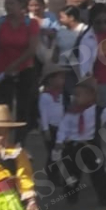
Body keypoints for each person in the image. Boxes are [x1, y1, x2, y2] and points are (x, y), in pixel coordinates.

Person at [55, 78, 106, 207]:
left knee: (98, 173)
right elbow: (63, 128)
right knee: (71, 172)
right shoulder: (71, 112)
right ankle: (71, 196)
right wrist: (59, 142)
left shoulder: (100, 111)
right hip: (73, 145)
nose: (76, 98)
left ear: (91, 95)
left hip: (91, 145)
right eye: (75, 95)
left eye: (79, 95)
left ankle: (104, 198)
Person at [0, 0, 41, 130]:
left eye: (11, 3)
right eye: (6, 3)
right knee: (4, 105)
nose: (8, 6)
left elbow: (32, 49)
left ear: (21, 5)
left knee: (23, 105)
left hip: (24, 68)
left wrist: (15, 65)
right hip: (2, 69)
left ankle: (20, 137)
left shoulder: (31, 24)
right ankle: (3, 134)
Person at [38, 65, 68, 193]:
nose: (62, 80)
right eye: (59, 78)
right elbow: (44, 114)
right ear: (50, 80)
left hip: (60, 127)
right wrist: (45, 130)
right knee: (53, 153)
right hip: (51, 128)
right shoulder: (45, 96)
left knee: (60, 152)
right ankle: (52, 176)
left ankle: (59, 175)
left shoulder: (61, 95)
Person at [53, 5, 88, 101]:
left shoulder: (84, 30)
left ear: (71, 17)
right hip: (63, 68)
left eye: (62, 17)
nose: (60, 20)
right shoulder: (61, 31)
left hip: (79, 69)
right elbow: (56, 49)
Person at [27, 0, 59, 65]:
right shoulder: (26, 18)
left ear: (42, 4)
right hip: (31, 55)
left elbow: (57, 32)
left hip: (49, 52)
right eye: (31, 6)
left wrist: (47, 32)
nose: (34, 8)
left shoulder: (50, 16)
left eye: (36, 5)